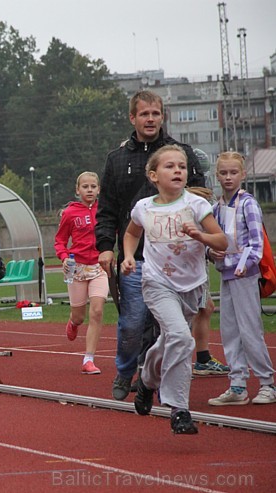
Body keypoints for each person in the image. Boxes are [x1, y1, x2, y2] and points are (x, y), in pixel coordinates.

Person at [95, 89, 225, 401]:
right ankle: (126, 371)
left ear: (162, 116)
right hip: (135, 259)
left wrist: (203, 239)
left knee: (171, 331)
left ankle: (156, 383)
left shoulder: (181, 154)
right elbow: (107, 208)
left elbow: (201, 199)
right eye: (144, 114)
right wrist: (105, 246)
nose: (150, 119)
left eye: (155, 113)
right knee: (132, 324)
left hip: (176, 258)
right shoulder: (117, 159)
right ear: (132, 118)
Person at [122, 145, 227, 434]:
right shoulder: (144, 207)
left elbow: (222, 242)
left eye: (181, 166)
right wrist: (129, 256)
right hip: (157, 283)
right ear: (153, 175)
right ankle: (179, 409)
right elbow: (131, 233)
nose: (178, 170)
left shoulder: (195, 205)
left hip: (192, 286)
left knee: (171, 340)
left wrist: (200, 235)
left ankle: (146, 380)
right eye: (170, 166)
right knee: (181, 337)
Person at [207, 152, 276, 406]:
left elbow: (257, 244)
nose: (228, 177)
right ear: (217, 175)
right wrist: (209, 251)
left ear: (242, 174)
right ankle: (237, 384)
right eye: (223, 173)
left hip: (244, 276)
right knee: (229, 330)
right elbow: (210, 240)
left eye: (233, 172)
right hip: (226, 275)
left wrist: (244, 265)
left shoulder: (248, 204)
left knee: (250, 330)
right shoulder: (216, 208)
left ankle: (267, 383)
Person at [54, 172, 108, 375]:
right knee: (79, 316)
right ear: (78, 190)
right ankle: (73, 322)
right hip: (77, 267)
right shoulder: (69, 213)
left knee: (97, 310)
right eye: (85, 187)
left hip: (99, 266)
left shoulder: (104, 211)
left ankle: (89, 359)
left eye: (93, 186)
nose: (89, 190)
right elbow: (59, 240)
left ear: (99, 189)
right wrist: (64, 256)